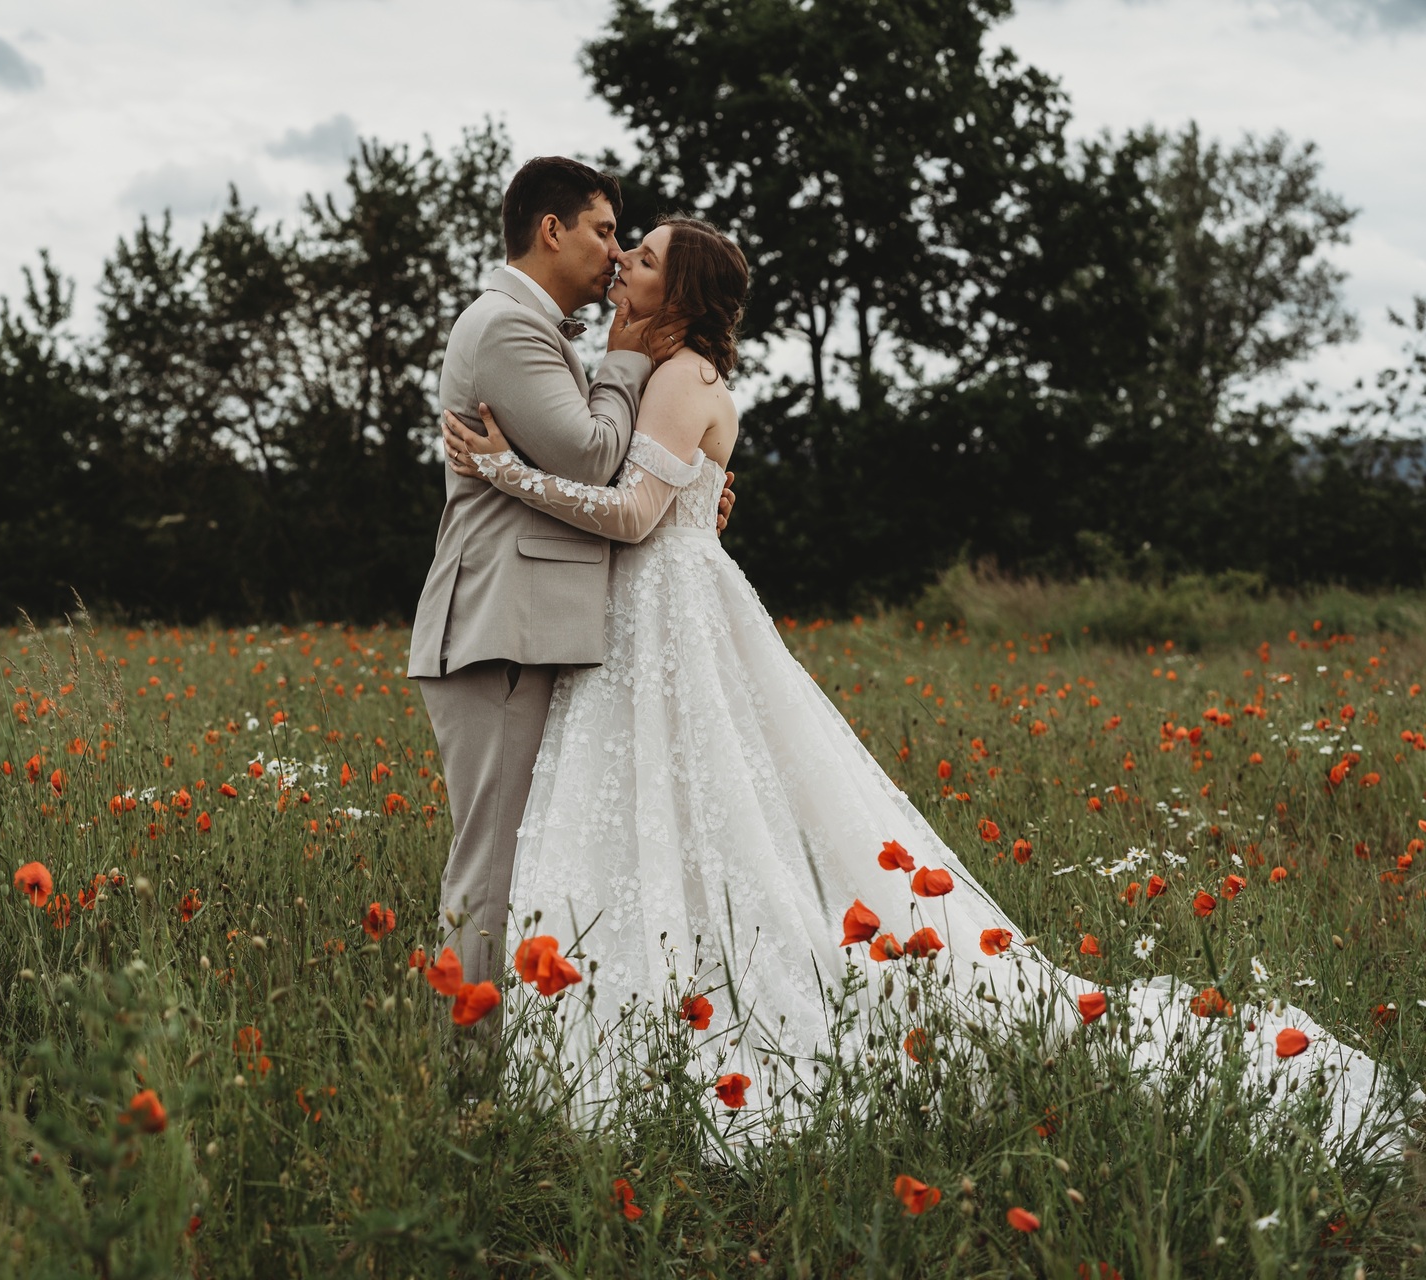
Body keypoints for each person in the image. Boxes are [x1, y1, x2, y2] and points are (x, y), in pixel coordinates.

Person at [438, 215, 1405, 1148]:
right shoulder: (661, 371)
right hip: (649, 614)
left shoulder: (682, 376)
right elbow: (654, 492)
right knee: (666, 807)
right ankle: (636, 997)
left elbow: (633, 514)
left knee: (706, 803)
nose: (624, 263)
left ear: (681, 292)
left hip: (666, 614)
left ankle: (706, 1005)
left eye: (645, 257)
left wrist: (503, 471)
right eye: (627, 248)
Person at [408, 157, 729, 989]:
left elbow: (612, 480)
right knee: (492, 864)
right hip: (502, 628)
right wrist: (622, 359)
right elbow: (590, 457)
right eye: (605, 231)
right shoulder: (508, 328)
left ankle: (510, 1042)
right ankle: (467, 1052)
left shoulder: (536, 330)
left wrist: (686, 494)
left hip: (531, 626)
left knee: (524, 859)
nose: (616, 253)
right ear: (552, 231)